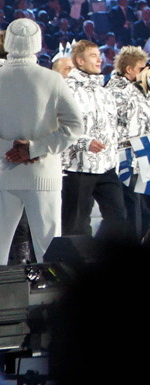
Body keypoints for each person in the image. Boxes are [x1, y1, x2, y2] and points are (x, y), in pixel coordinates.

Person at [0, 19, 83, 263]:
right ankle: (55, 299)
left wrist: (9, 150)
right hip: (42, 173)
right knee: (49, 250)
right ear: (37, 44)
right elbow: (75, 127)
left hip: (3, 171)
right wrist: (34, 149)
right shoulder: (52, 80)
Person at [61, 41, 126, 238]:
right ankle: (75, 265)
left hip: (106, 166)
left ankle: (99, 253)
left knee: (119, 217)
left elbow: (112, 126)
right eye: (93, 56)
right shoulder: (66, 88)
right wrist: (85, 142)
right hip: (77, 166)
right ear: (80, 61)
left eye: (99, 55)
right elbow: (60, 125)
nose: (99, 59)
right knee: (76, 223)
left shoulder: (103, 91)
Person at [106, 46, 150, 240]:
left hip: (141, 157)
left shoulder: (138, 90)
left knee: (144, 212)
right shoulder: (116, 91)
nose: (146, 72)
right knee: (132, 211)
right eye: (142, 68)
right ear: (129, 70)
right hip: (124, 158)